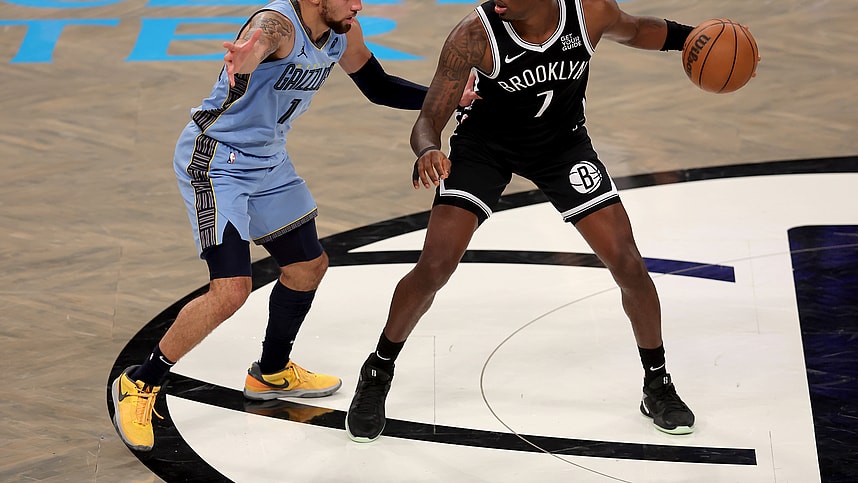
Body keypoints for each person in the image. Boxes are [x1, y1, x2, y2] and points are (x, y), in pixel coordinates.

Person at [346, 0, 705, 442]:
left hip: (562, 148)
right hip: (485, 149)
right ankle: (377, 372)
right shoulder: (473, 35)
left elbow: (635, 30)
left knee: (628, 264)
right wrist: (428, 150)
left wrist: (692, 37)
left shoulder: (589, 11)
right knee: (435, 266)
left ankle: (658, 384)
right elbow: (428, 118)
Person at [111, 0, 433, 452]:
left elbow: (378, 86)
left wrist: (446, 98)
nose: (358, 5)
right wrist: (248, 56)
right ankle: (141, 383)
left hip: (268, 163)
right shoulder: (278, 24)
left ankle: (271, 372)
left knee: (307, 267)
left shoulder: (343, 31)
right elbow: (262, 36)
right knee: (231, 291)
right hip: (217, 163)